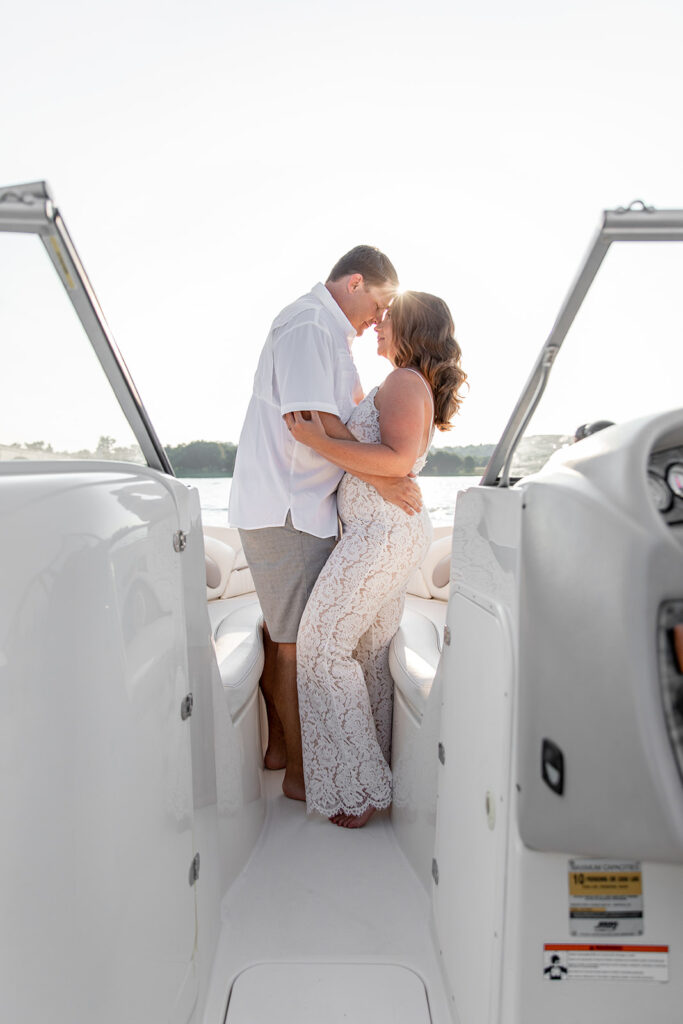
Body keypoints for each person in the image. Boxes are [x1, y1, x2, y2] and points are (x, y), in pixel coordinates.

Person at [228, 246, 423, 801]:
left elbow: (344, 422)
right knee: (296, 643)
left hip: (306, 510)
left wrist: (380, 471)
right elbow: (311, 423)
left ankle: (284, 749)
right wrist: (385, 479)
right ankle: (300, 776)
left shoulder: (330, 333)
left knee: (288, 633)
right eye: (379, 304)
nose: (379, 319)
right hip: (287, 509)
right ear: (355, 282)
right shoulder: (311, 323)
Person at [287, 291, 467, 828]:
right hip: (380, 534)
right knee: (365, 658)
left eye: (388, 319)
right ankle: (374, 779)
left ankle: (358, 788)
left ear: (411, 327)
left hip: (381, 538)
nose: (378, 325)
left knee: (320, 649)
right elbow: (380, 453)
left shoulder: (405, 382)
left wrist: (312, 439)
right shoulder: (399, 384)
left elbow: (397, 461)